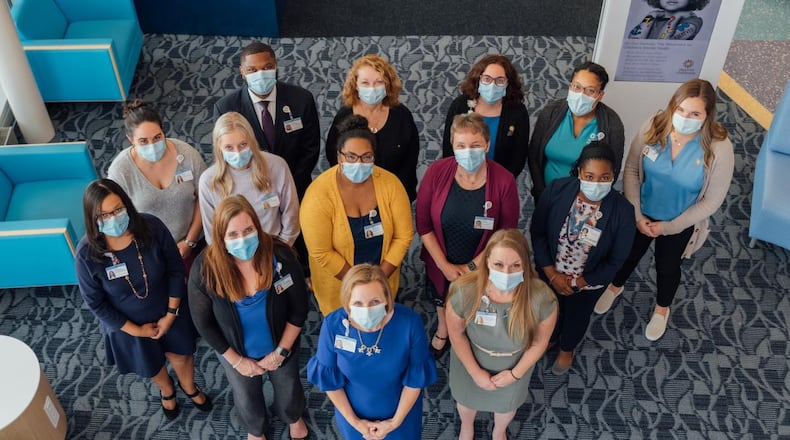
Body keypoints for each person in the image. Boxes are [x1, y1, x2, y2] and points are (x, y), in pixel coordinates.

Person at [593, 79, 734, 341]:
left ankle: (661, 308)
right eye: (680, 110)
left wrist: (668, 227)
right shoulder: (655, 124)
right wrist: (636, 214)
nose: (684, 118)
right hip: (640, 211)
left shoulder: (718, 147)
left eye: (694, 114)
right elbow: (633, 170)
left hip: (679, 221)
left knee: (667, 267)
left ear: (707, 116)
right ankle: (615, 286)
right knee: (627, 254)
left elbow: (712, 201)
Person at [75, 179, 211, 419]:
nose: (113, 218)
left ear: (127, 205)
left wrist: (171, 315)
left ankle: (188, 387)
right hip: (127, 324)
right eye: (104, 215)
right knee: (151, 365)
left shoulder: (151, 226)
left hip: (171, 307)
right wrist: (137, 331)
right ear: (93, 219)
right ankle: (167, 390)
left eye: (118, 209)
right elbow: (96, 303)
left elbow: (176, 270)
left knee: (182, 353)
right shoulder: (87, 253)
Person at [188, 195, 309, 440]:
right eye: (233, 234)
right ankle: (255, 429)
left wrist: (281, 352)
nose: (243, 239)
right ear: (221, 238)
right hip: (235, 351)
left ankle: (293, 417)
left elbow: (299, 310)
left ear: (257, 226)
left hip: (281, 345)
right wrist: (237, 361)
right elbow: (204, 324)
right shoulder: (205, 269)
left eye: (248, 229)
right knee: (245, 394)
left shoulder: (281, 256)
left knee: (288, 386)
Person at [416, 112, 520, 358]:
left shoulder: (504, 181)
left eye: (475, 145)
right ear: (452, 146)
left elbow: (506, 233)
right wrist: (444, 266)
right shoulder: (436, 172)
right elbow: (423, 225)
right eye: (461, 146)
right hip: (440, 257)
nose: (468, 151)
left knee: (476, 302)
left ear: (487, 145)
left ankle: (468, 333)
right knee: (442, 297)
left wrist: (474, 265)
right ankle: (443, 329)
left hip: (482, 261)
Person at [529, 142, 635, 374]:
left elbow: (617, 261)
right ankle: (551, 336)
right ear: (579, 172)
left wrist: (579, 282)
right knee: (549, 309)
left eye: (604, 177)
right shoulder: (557, 190)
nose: (596, 183)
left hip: (588, 282)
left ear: (613, 177)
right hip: (551, 273)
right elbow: (537, 233)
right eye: (589, 176)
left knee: (576, 316)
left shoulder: (623, 211)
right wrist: (551, 273)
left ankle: (567, 348)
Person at [446, 229, 556, 440]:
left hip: (514, 364)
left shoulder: (542, 298)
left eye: (515, 265)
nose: (506, 273)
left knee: (506, 407)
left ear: (525, 263)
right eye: (499, 265)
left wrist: (515, 374)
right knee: (466, 402)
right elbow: (456, 334)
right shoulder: (463, 291)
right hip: (471, 359)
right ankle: (466, 427)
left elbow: (539, 343)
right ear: (486, 261)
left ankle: (499, 431)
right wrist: (475, 372)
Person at [307, 264, 437, 439]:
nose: (367, 310)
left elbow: (415, 379)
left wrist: (394, 423)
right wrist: (356, 423)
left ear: (387, 299)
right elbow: (329, 380)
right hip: (353, 416)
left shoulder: (409, 323)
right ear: (347, 303)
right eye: (358, 303)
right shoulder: (333, 325)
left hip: (401, 416)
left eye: (375, 302)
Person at [301, 115, 413, 315]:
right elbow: (321, 252)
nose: (359, 163)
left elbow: (403, 236)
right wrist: (356, 283)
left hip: (384, 279)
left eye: (366, 156)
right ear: (339, 156)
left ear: (374, 157)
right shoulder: (318, 194)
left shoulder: (391, 184)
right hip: (337, 287)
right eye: (351, 156)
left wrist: (379, 279)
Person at [107, 100, 207, 271]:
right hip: (150, 250)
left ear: (163, 131)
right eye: (143, 141)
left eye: (157, 137)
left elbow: (204, 199)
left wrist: (190, 241)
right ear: (130, 139)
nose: (152, 146)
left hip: (193, 239)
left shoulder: (188, 155)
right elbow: (117, 218)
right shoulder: (120, 171)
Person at [213, 41, 320, 200]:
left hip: (296, 186)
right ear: (242, 72)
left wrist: (288, 183)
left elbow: (311, 148)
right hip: (249, 191)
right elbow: (225, 154)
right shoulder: (226, 107)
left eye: (267, 67)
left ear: (276, 66)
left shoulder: (302, 99)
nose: (260, 74)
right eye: (252, 70)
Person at [325, 54, 420, 201]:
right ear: (355, 85)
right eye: (365, 83)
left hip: (394, 197)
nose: (372, 88)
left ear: (387, 84)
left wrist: (396, 197)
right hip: (352, 199)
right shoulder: (343, 117)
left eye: (378, 82)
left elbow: (410, 162)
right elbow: (334, 160)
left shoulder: (402, 116)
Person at [199, 112, 300, 248]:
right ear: (219, 148)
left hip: (275, 248)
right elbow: (212, 236)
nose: (237, 152)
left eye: (243, 145)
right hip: (233, 256)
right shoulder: (208, 181)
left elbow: (291, 217)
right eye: (229, 147)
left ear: (252, 142)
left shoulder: (277, 166)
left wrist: (281, 251)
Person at [527, 61, 624, 202]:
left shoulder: (612, 123)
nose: (581, 94)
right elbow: (534, 156)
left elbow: (612, 170)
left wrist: (589, 198)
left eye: (590, 90)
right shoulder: (551, 112)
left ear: (600, 95)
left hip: (586, 201)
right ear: (569, 86)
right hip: (546, 195)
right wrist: (542, 193)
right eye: (576, 87)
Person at [442, 54, 530, 178]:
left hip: (500, 183)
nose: (492, 85)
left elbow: (518, 157)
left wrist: (501, 183)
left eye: (500, 80)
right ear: (478, 79)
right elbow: (448, 148)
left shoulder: (517, 112)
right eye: (487, 79)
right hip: (460, 179)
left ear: (507, 84)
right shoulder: (460, 105)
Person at [628, 0, 710, 40]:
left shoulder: (692, 22)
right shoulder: (653, 18)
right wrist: (652, 15)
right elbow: (633, 41)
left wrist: (676, 16)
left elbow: (663, 43)